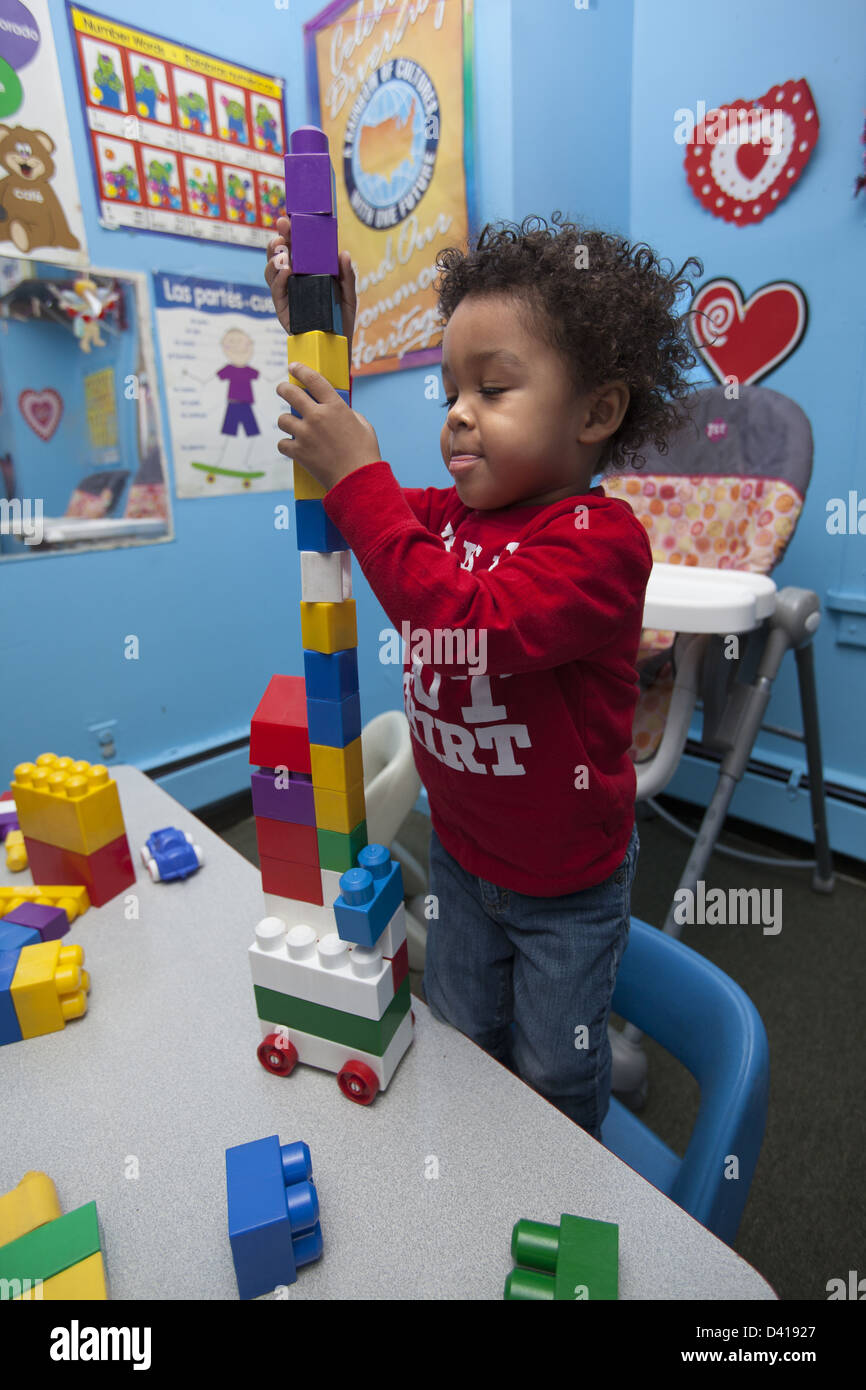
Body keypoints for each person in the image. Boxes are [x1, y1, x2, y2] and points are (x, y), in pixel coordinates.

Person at [264, 212, 703, 1139]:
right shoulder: (459, 516)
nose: (458, 412)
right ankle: (464, 1179)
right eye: (450, 390)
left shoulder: (600, 543)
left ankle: (559, 1186)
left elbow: (466, 618)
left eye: (493, 389)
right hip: (464, 857)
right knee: (461, 1035)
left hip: (566, 888)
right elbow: (366, 507)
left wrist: (362, 478)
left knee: (552, 1071)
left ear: (596, 412)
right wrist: (321, 346)